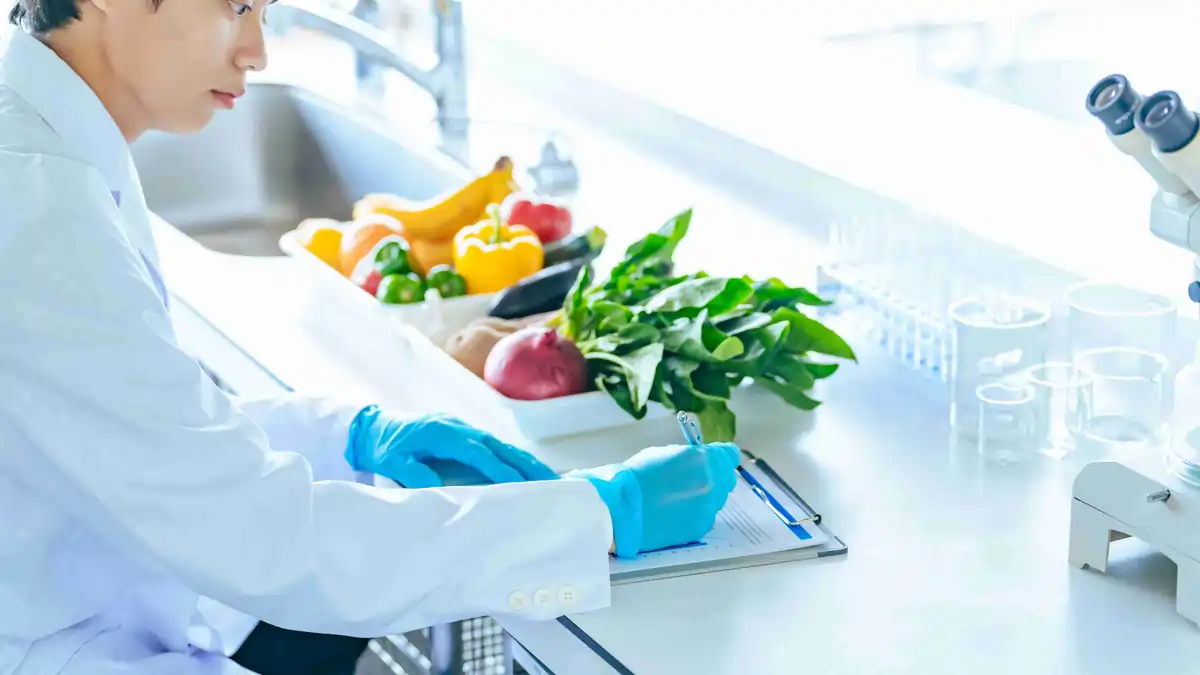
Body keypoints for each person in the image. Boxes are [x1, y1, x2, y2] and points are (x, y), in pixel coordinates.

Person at [0, 1, 743, 674]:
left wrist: (349, 434)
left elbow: (132, 425)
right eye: (234, 7)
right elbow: (262, 538)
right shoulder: (41, 211)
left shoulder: (48, 149)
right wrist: (595, 515)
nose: (256, 49)